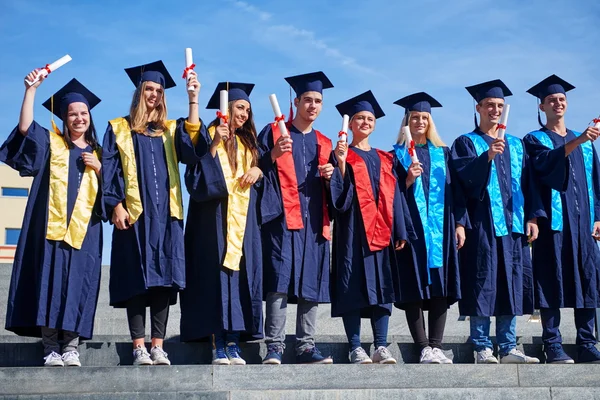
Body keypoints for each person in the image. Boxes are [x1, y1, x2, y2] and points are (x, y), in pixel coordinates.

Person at [102, 60, 202, 366]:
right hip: (134, 216)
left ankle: (158, 346)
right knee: (137, 280)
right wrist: (114, 204)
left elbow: (194, 149)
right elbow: (109, 169)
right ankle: (138, 346)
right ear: (139, 92)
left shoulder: (171, 131)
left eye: (159, 90)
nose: (154, 95)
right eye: (149, 89)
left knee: (164, 282)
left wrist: (193, 99)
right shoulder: (118, 128)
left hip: (167, 217)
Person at [1, 74, 103, 367]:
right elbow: (25, 128)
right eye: (73, 113)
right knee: (50, 281)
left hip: (85, 234)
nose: (79, 118)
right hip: (48, 231)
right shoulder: (51, 143)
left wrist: (99, 169)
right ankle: (50, 347)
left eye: (83, 113)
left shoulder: (100, 154)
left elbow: (114, 194)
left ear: (89, 117)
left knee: (77, 284)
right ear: (64, 117)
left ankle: (71, 346)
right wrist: (30, 91)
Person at [451, 79, 542, 364]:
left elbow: (529, 185)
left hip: (514, 227)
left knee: (511, 283)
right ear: (478, 107)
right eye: (489, 104)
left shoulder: (516, 144)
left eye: (499, 106)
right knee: (482, 282)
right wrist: (487, 157)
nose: (494, 109)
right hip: (482, 225)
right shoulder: (466, 142)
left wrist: (532, 217)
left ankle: (508, 345)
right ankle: (481, 346)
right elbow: (461, 182)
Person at [180, 82, 264, 366]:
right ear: (226, 109)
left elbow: (265, 176)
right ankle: (217, 343)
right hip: (213, 221)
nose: (244, 114)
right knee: (214, 280)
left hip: (243, 223)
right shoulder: (208, 135)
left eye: (248, 110)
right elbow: (194, 177)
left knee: (240, 279)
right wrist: (215, 144)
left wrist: (258, 168)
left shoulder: (249, 143)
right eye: (240, 108)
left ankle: (233, 342)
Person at [257, 71, 335, 364]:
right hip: (281, 221)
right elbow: (255, 170)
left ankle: (305, 346)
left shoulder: (325, 143)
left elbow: (339, 189)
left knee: (310, 284)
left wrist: (333, 177)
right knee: (278, 282)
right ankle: (274, 347)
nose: (313, 105)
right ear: (296, 101)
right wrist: (273, 155)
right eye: (308, 100)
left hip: (315, 223)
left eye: (318, 101)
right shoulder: (274, 132)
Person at [523, 75, 600, 364]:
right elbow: (544, 166)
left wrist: (599, 217)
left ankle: (586, 342)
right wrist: (579, 140)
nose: (558, 103)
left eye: (562, 99)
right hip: (552, 223)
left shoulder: (584, 140)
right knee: (550, 278)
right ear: (542, 106)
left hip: (583, 224)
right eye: (552, 100)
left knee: (588, 278)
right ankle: (552, 343)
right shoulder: (535, 139)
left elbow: (596, 182)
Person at [330, 90, 408, 364]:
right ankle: (355, 347)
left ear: (374, 124)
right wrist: (339, 164)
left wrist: (400, 229)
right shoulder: (341, 154)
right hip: (352, 232)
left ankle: (380, 345)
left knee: (382, 286)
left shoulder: (386, 158)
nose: (365, 122)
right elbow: (337, 196)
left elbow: (396, 195)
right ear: (350, 124)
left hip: (382, 232)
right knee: (351, 283)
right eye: (359, 118)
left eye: (369, 118)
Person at [392, 92, 464, 364]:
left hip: (441, 230)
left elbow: (455, 193)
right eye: (415, 117)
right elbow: (390, 195)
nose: (420, 121)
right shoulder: (395, 155)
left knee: (441, 286)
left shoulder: (443, 153)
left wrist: (460, 224)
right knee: (413, 285)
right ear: (406, 122)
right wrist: (407, 180)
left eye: (424, 118)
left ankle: (436, 346)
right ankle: (423, 346)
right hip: (411, 230)